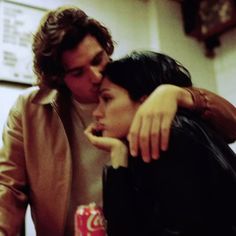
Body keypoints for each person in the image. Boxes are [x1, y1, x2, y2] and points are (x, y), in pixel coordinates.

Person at [0, 6, 235, 236]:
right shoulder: (29, 110)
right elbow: (8, 187)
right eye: (78, 73)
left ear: (106, 49)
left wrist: (181, 94)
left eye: (97, 59)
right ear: (59, 78)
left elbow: (228, 131)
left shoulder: (136, 87)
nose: (96, 76)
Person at [85, 50, 236, 236]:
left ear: (145, 102)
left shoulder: (173, 137)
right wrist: (118, 154)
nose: (96, 113)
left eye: (107, 99)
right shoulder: (155, 141)